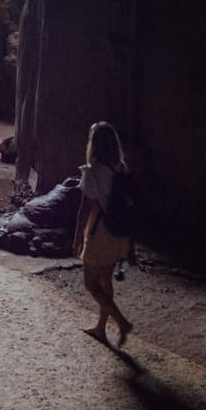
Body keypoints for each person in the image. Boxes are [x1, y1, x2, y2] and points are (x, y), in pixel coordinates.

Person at [72, 120, 134, 346]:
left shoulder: (93, 172)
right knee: (106, 282)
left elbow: (84, 209)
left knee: (91, 284)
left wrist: (77, 238)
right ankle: (100, 327)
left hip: (100, 233)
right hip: (119, 231)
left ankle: (122, 322)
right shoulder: (122, 167)